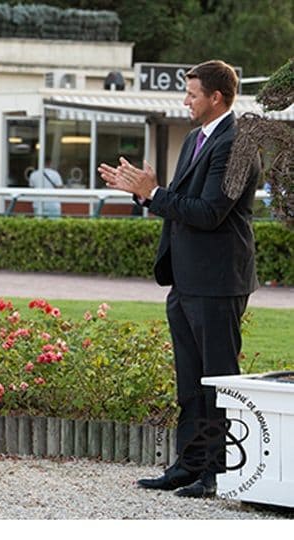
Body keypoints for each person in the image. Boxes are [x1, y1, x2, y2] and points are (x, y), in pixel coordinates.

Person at [98, 60, 260, 499]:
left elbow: (209, 213)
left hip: (219, 281)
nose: (184, 100)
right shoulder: (193, 138)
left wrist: (154, 193)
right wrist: (144, 192)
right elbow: (181, 203)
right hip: (184, 280)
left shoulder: (239, 145)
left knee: (217, 380)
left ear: (217, 98)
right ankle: (188, 465)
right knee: (189, 381)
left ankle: (220, 471)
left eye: (191, 94)